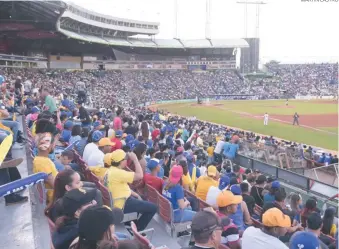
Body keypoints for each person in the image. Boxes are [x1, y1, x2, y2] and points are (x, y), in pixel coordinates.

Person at [104, 149, 157, 231]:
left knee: (140, 199)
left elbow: (122, 186)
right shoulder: (118, 173)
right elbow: (140, 175)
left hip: (120, 200)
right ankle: (137, 230)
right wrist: (135, 160)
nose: (127, 160)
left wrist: (136, 194)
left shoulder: (110, 170)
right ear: (121, 161)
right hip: (123, 203)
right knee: (153, 207)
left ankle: (130, 223)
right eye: (125, 159)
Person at [33, 132, 58, 203]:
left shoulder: (40, 159)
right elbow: (54, 185)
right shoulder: (43, 163)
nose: (54, 145)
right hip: (55, 195)